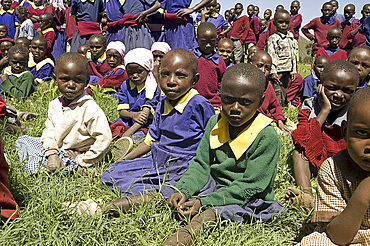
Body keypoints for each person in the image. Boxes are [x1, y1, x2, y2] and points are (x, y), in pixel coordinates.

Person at [162, 63, 283, 245]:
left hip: (247, 197)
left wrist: (205, 203)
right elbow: (201, 164)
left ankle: (176, 240)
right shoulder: (215, 122)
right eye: (227, 99)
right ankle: (105, 208)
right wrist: (184, 190)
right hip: (214, 185)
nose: (234, 108)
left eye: (245, 102)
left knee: (212, 214)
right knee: (167, 190)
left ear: (260, 101)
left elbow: (252, 186)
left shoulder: (266, 135)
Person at [98, 48, 214, 196]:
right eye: (165, 74)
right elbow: (150, 140)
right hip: (158, 159)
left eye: (180, 75)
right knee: (112, 173)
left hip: (184, 163)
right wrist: (124, 160)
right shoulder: (162, 103)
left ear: (194, 80)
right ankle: (149, 189)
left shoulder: (199, 104)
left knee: (172, 187)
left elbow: (212, 142)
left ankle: (156, 192)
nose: (171, 81)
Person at [15, 52, 112, 174]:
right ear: (55, 80)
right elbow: (49, 131)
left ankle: (75, 168)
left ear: (87, 81)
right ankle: (53, 164)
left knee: (38, 164)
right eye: (65, 79)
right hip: (56, 149)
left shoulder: (89, 108)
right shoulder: (54, 104)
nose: (71, 85)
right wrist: (52, 153)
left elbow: (104, 138)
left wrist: (82, 159)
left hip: (74, 154)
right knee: (23, 140)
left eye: (78, 80)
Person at [300, 85, 370, 246]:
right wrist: (364, 193)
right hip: (351, 238)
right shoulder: (333, 169)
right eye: (361, 133)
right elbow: (338, 237)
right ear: (345, 131)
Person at [287, 60, 359, 208]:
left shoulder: (356, 110)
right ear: (319, 85)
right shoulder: (309, 105)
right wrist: (324, 110)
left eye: (347, 91)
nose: (339, 95)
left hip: (344, 164)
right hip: (318, 160)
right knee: (299, 153)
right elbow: (302, 139)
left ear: (355, 91)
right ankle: (306, 196)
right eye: (332, 88)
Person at [109, 48, 161, 160]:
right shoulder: (125, 85)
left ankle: (125, 151)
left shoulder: (151, 87)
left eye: (139, 71)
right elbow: (122, 112)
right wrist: (133, 115)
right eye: (131, 72)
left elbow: (144, 117)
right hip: (128, 120)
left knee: (139, 137)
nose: (135, 75)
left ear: (147, 69)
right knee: (111, 129)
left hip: (146, 124)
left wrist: (128, 133)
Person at [251, 50, 291, 135]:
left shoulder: (268, 85)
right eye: (259, 66)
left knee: (292, 129)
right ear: (251, 64)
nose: (263, 70)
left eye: (267, 68)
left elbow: (275, 105)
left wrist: (279, 120)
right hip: (252, 121)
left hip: (266, 118)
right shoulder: (245, 83)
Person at [266, 9, 299, 107]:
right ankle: (276, 106)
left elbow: (293, 54)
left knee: (285, 88)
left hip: (287, 69)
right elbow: (272, 55)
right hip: (278, 70)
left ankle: (283, 105)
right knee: (277, 89)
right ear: (275, 23)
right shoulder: (273, 38)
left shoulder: (290, 36)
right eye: (281, 22)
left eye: (286, 22)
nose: (284, 25)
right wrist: (273, 71)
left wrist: (294, 70)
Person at [192, 22, 226, 111]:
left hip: (213, 103)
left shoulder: (219, 61)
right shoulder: (191, 58)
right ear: (197, 40)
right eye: (203, 42)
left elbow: (222, 83)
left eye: (212, 42)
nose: (208, 45)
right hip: (191, 102)